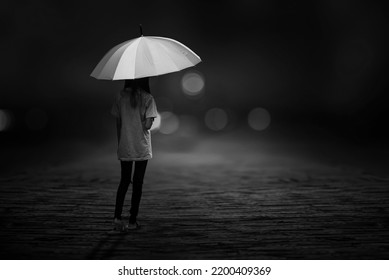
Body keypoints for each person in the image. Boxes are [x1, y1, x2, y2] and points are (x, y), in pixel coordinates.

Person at [110, 77, 158, 231]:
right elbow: (148, 125)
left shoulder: (120, 96)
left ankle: (117, 217)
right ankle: (132, 221)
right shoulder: (148, 98)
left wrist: (121, 142)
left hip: (125, 145)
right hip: (141, 147)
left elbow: (118, 123)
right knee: (138, 183)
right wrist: (146, 119)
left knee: (124, 181)